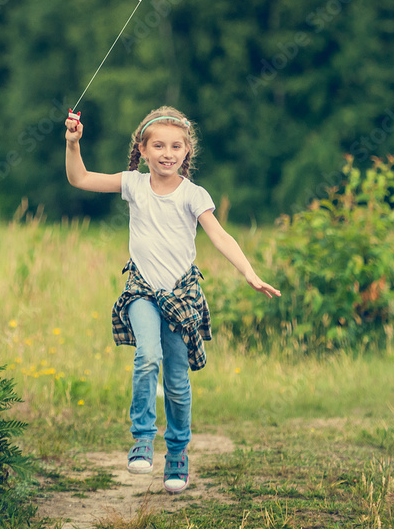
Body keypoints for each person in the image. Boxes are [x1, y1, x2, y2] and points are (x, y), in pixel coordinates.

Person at [65, 105, 280, 493]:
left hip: (182, 296)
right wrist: (73, 143)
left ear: (187, 152)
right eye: (159, 146)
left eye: (176, 146)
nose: (167, 153)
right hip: (142, 292)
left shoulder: (193, 194)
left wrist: (249, 272)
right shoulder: (133, 184)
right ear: (143, 150)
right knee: (147, 357)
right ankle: (142, 440)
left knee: (178, 383)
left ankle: (177, 453)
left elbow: (220, 236)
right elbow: (79, 178)